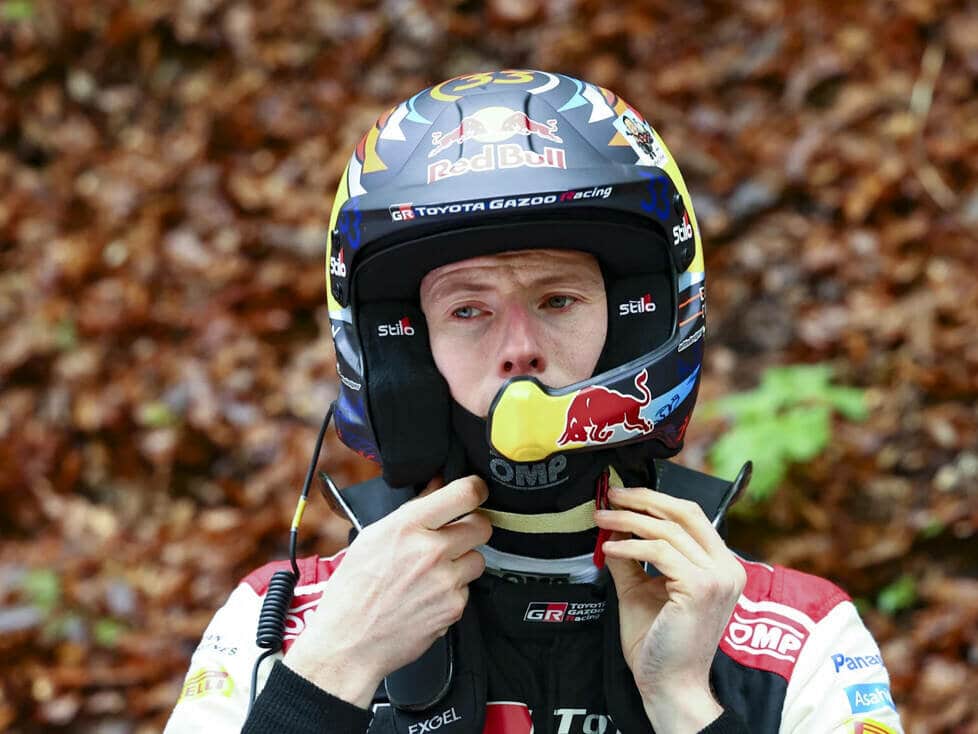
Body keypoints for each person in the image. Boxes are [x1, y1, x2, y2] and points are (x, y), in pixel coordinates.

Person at [164, 70, 904, 734]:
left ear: (638, 321)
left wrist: (685, 702)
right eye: (468, 310)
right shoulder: (286, 626)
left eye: (557, 299)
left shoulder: (799, 633)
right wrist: (333, 670)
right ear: (402, 353)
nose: (519, 349)